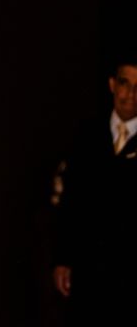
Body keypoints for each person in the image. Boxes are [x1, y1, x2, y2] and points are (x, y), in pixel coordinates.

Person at [53, 55, 137, 325]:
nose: (131, 94)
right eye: (125, 83)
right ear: (113, 85)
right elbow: (69, 201)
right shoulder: (87, 134)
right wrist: (63, 259)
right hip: (88, 265)